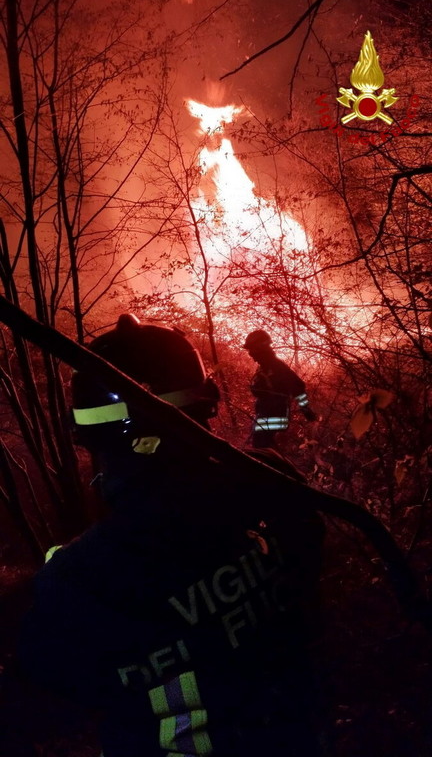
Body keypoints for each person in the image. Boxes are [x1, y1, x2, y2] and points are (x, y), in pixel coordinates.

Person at [18, 314, 324, 757]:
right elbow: (306, 574)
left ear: (89, 433)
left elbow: (53, 693)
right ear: (205, 402)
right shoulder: (274, 488)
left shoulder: (77, 580)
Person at [244, 330, 317, 449]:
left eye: (252, 350)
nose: (251, 354)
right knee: (262, 445)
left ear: (262, 348)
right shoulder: (264, 368)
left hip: (277, 418)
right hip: (266, 416)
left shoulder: (278, 368)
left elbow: (298, 387)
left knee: (261, 446)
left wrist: (306, 409)